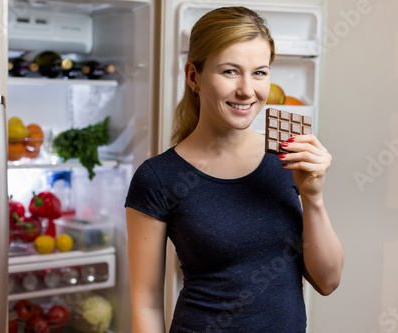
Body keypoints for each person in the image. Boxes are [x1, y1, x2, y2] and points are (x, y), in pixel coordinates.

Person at [125, 6, 344, 333]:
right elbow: (146, 303)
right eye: (230, 71)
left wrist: (314, 197)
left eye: (259, 72)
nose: (247, 90)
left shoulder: (287, 158)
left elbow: (327, 281)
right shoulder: (159, 177)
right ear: (193, 77)